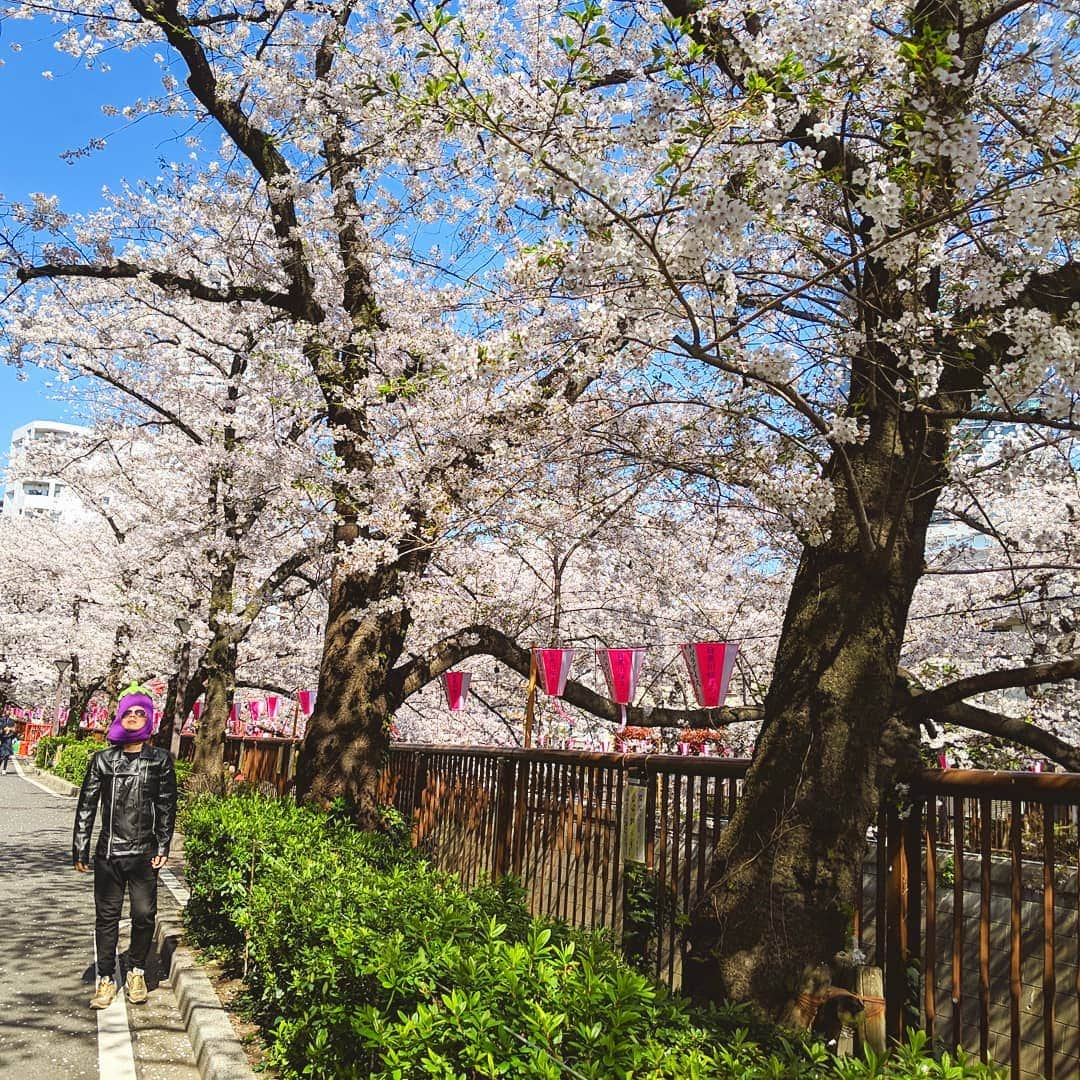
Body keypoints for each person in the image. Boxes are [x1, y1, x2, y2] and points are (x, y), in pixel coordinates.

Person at [73, 685, 177, 1009]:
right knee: (107, 918)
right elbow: (87, 805)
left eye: (140, 713)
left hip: (145, 853)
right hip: (108, 854)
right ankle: (106, 978)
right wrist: (81, 846)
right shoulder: (103, 760)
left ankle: (135, 970)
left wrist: (163, 843)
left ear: (148, 719)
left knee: (145, 915)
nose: (133, 717)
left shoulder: (160, 760)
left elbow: (166, 805)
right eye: (128, 712)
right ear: (120, 717)